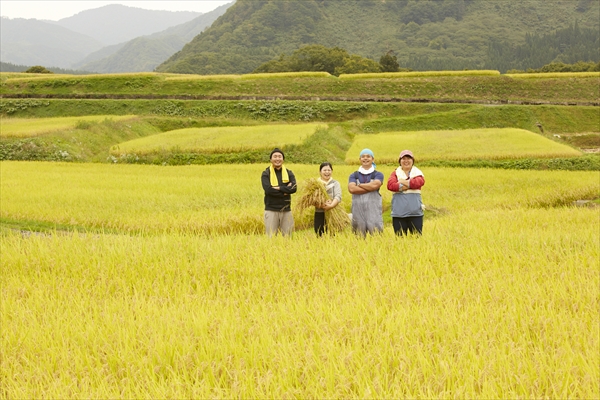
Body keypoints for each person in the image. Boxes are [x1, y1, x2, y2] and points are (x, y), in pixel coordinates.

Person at [387, 149, 425, 235]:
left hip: (415, 214)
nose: (406, 161)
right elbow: (390, 185)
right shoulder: (395, 173)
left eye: (408, 158)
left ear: (413, 161)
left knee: (417, 240)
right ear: (400, 161)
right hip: (398, 214)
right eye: (403, 159)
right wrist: (407, 185)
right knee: (400, 240)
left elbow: (419, 182)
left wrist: (401, 181)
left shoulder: (418, 173)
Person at [347, 148, 384, 236]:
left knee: (376, 236)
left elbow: (375, 185)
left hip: (373, 212)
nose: (365, 158)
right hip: (358, 212)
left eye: (368, 156)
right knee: (358, 238)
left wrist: (360, 185)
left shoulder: (378, 174)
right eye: (363, 156)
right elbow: (352, 189)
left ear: (373, 159)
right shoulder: (354, 175)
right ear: (360, 159)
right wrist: (369, 187)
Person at [261, 148, 297, 237]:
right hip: (271, 209)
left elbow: (294, 188)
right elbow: (268, 190)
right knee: (271, 237)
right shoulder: (266, 173)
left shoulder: (289, 173)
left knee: (288, 237)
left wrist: (278, 188)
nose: (277, 159)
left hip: (286, 210)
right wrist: (285, 191)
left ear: (283, 159)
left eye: (280, 156)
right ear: (271, 159)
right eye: (275, 156)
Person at [314, 162, 342, 236]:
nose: (327, 172)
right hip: (319, 213)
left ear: (332, 171)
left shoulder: (335, 183)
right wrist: (322, 204)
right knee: (319, 236)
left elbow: (338, 196)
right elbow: (311, 199)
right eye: (324, 170)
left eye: (329, 170)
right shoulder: (315, 184)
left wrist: (331, 205)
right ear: (320, 172)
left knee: (333, 236)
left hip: (333, 213)